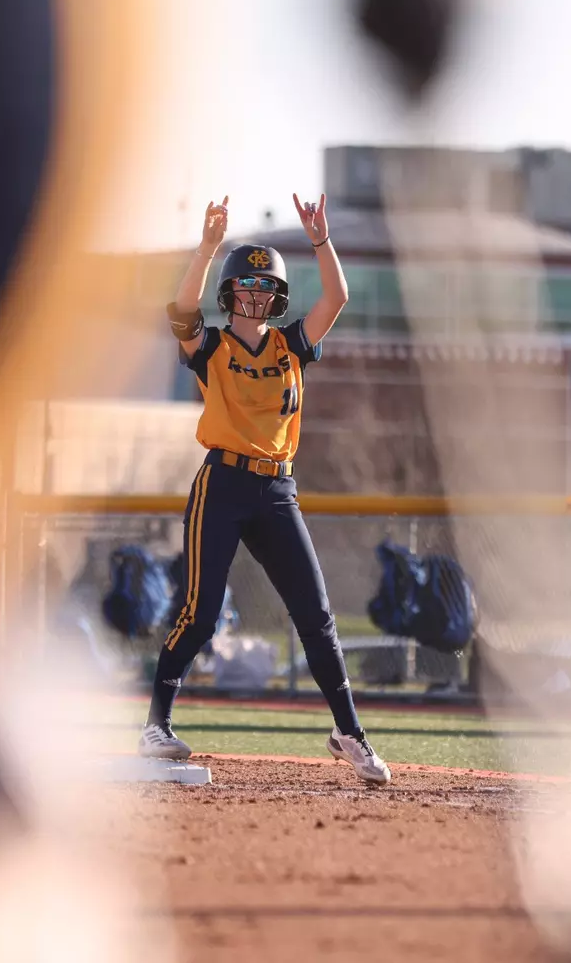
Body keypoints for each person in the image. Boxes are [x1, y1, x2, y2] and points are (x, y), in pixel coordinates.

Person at [140, 193, 391, 786]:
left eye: (264, 288)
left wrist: (321, 242)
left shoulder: (290, 346)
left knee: (317, 614)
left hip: (277, 489)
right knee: (200, 614)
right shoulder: (214, 347)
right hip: (223, 483)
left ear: (276, 297)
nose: (254, 295)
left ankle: (348, 733)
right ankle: (157, 724)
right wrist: (206, 249)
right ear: (230, 294)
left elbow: (337, 299)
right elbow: (181, 309)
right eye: (245, 286)